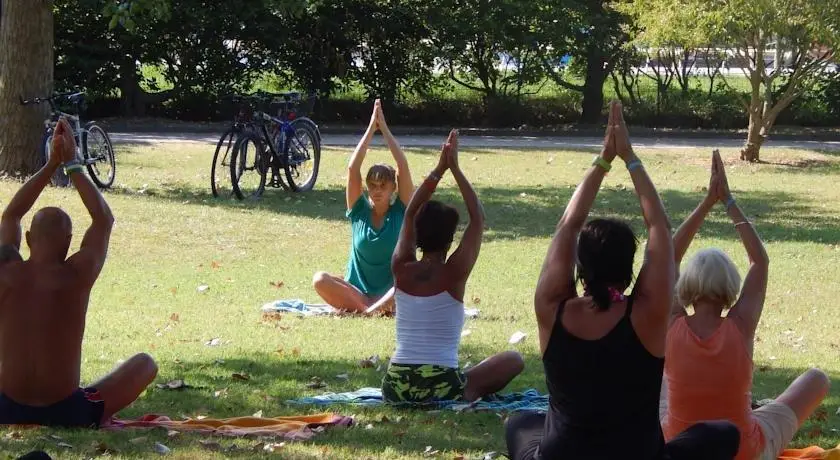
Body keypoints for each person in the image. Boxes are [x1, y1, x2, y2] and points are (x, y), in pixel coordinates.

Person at [505, 102, 740, 460]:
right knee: (723, 433)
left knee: (519, 423)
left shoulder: (552, 308)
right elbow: (659, 227)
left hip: (560, 456)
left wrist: (602, 161)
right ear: (631, 269)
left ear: (580, 268)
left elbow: (567, 226)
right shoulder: (647, 312)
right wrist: (630, 158)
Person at [661, 150, 830, 460]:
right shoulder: (742, 324)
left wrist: (705, 203)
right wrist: (727, 201)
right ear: (729, 285)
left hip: (679, 449)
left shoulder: (672, 324)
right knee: (818, 378)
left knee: (661, 376)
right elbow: (759, 261)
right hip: (746, 452)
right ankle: (754, 409)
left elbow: (669, 256)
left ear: (686, 285)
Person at [0, 119, 157, 427]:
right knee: (145, 364)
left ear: (29, 240)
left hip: (5, 405)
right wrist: (72, 165)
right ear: (70, 243)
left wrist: (49, 166)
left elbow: (12, 215)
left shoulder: (6, 270)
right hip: (67, 410)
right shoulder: (77, 276)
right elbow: (103, 220)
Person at [381, 130, 524, 403]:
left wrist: (438, 170)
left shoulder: (401, 267)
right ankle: (465, 390)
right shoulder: (454, 272)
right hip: (443, 387)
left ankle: (458, 386)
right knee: (514, 359)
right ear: (450, 239)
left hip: (395, 387)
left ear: (417, 236)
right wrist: (455, 169)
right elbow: (478, 219)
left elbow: (411, 211)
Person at [312, 99, 414, 314]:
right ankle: (368, 310)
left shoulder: (401, 211)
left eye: (383, 186)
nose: (377, 191)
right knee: (320, 279)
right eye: (372, 186)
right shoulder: (359, 212)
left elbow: (402, 167)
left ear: (393, 188)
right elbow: (353, 168)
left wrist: (383, 128)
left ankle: (371, 309)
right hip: (358, 293)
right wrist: (370, 129)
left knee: (413, 285)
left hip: (391, 293)